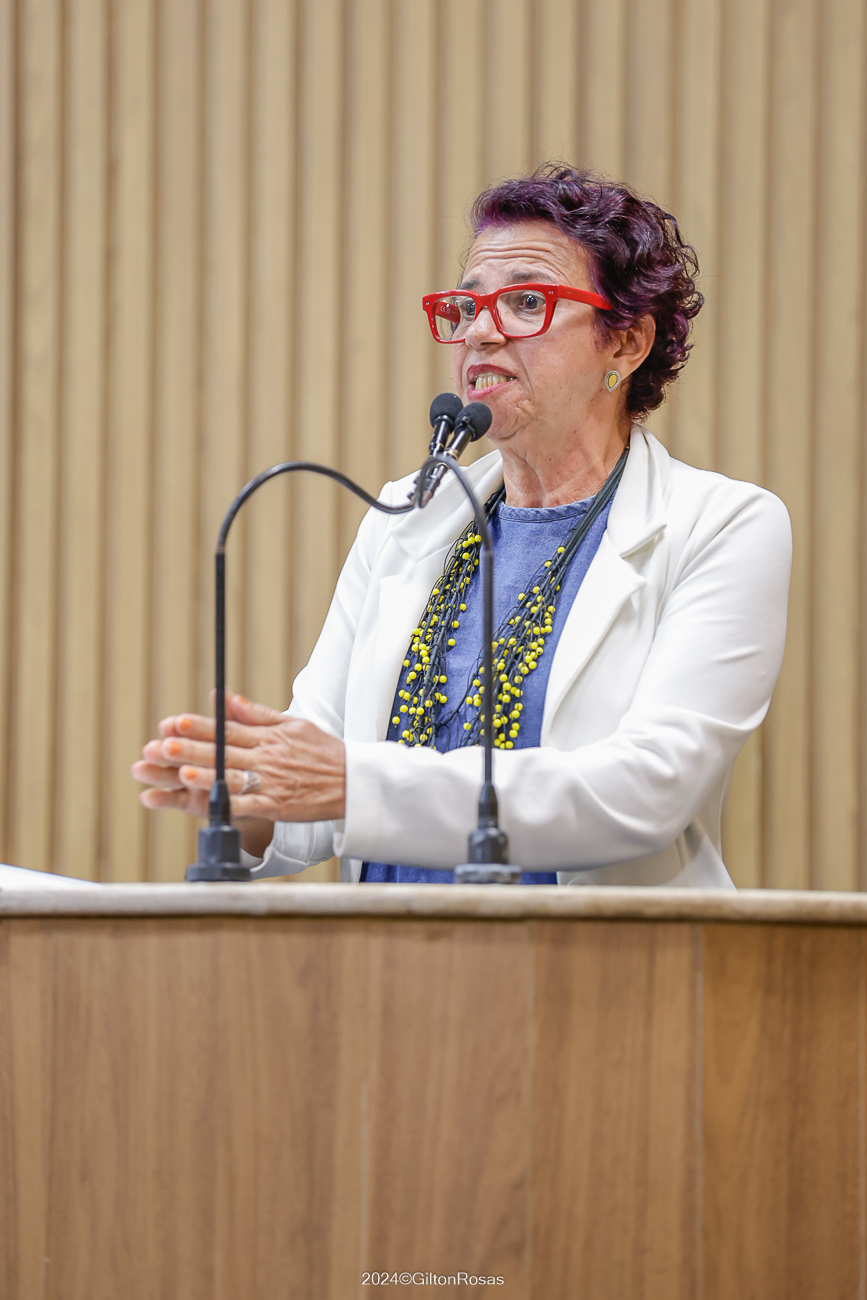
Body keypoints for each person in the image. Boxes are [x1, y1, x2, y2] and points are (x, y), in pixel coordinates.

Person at [133, 164, 791, 888]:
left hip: (596, 956)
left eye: (526, 302)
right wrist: (245, 792)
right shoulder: (406, 520)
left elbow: (645, 792)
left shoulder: (722, 526)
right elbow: (320, 784)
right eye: (467, 305)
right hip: (386, 955)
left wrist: (348, 783)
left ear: (626, 342)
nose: (479, 331)